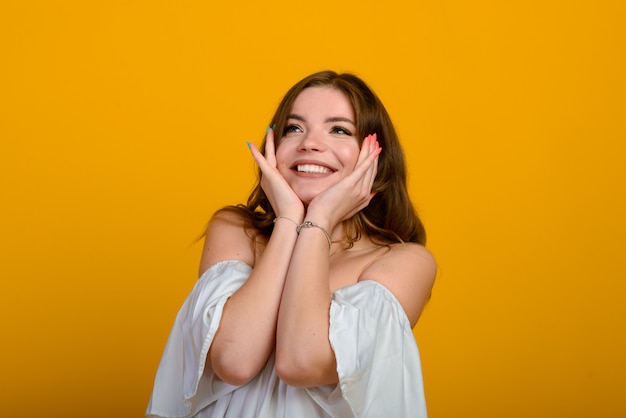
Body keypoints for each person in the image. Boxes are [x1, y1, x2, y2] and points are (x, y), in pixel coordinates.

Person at [146, 70, 437, 418]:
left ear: (374, 157)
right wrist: (288, 219)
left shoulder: (405, 262)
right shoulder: (234, 231)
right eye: (294, 128)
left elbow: (301, 361)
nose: (309, 143)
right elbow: (234, 360)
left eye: (340, 129)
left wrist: (320, 219)